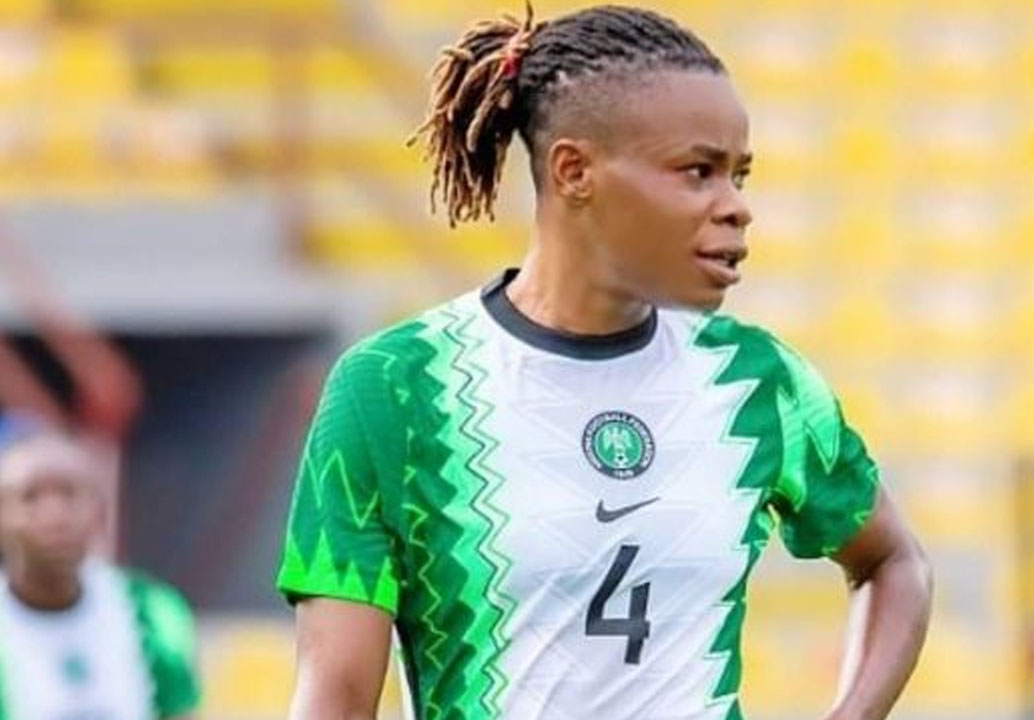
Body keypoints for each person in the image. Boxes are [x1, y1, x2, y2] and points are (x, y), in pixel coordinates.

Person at [278, 4, 932, 719]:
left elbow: (893, 561)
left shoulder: (756, 380)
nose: (736, 207)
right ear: (574, 171)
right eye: (698, 171)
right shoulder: (398, 387)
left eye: (739, 175)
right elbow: (336, 700)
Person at [0, 431, 200, 720]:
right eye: (30, 497)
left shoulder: (151, 610)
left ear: (100, 513)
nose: (54, 516)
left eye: (69, 495)